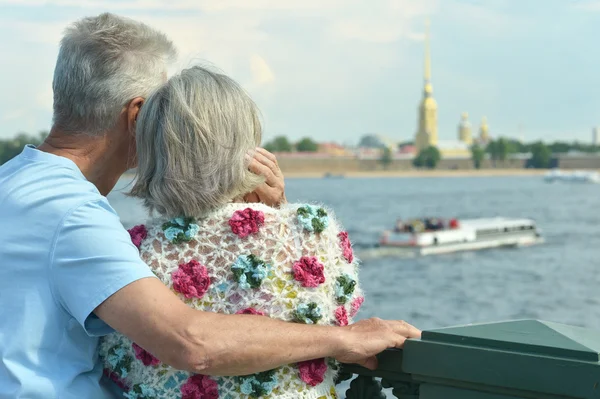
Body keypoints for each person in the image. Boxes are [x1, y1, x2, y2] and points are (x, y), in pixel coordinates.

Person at [0, 13, 420, 399]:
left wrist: (263, 220)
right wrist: (343, 339)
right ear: (138, 117)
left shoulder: (12, 181)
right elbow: (192, 342)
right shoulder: (72, 212)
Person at [100, 65, 366, 398]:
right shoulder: (312, 230)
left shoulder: (132, 248)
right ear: (247, 144)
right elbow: (339, 315)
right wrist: (280, 212)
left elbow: (117, 357)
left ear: (154, 153)